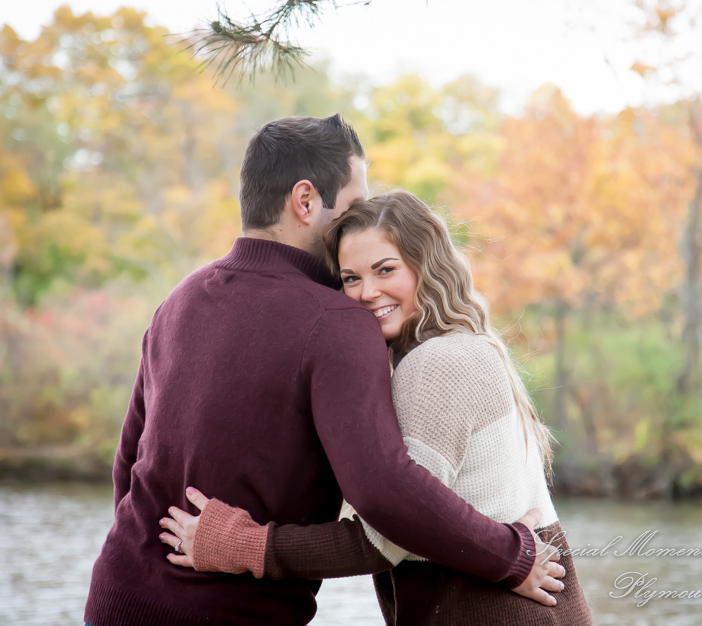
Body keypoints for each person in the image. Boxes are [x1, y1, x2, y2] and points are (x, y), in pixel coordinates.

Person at [84, 116, 562, 626]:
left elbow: (129, 461)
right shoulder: (337, 321)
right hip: (229, 614)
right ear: (306, 200)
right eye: (354, 205)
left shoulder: (179, 299)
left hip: (115, 596)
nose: (360, 221)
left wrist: (147, 565)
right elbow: (385, 493)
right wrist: (509, 555)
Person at [159, 190, 593, 625]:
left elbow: (386, 539)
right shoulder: (465, 346)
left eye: (386, 270)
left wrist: (240, 544)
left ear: (427, 266)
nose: (367, 292)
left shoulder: (436, 363)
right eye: (351, 278)